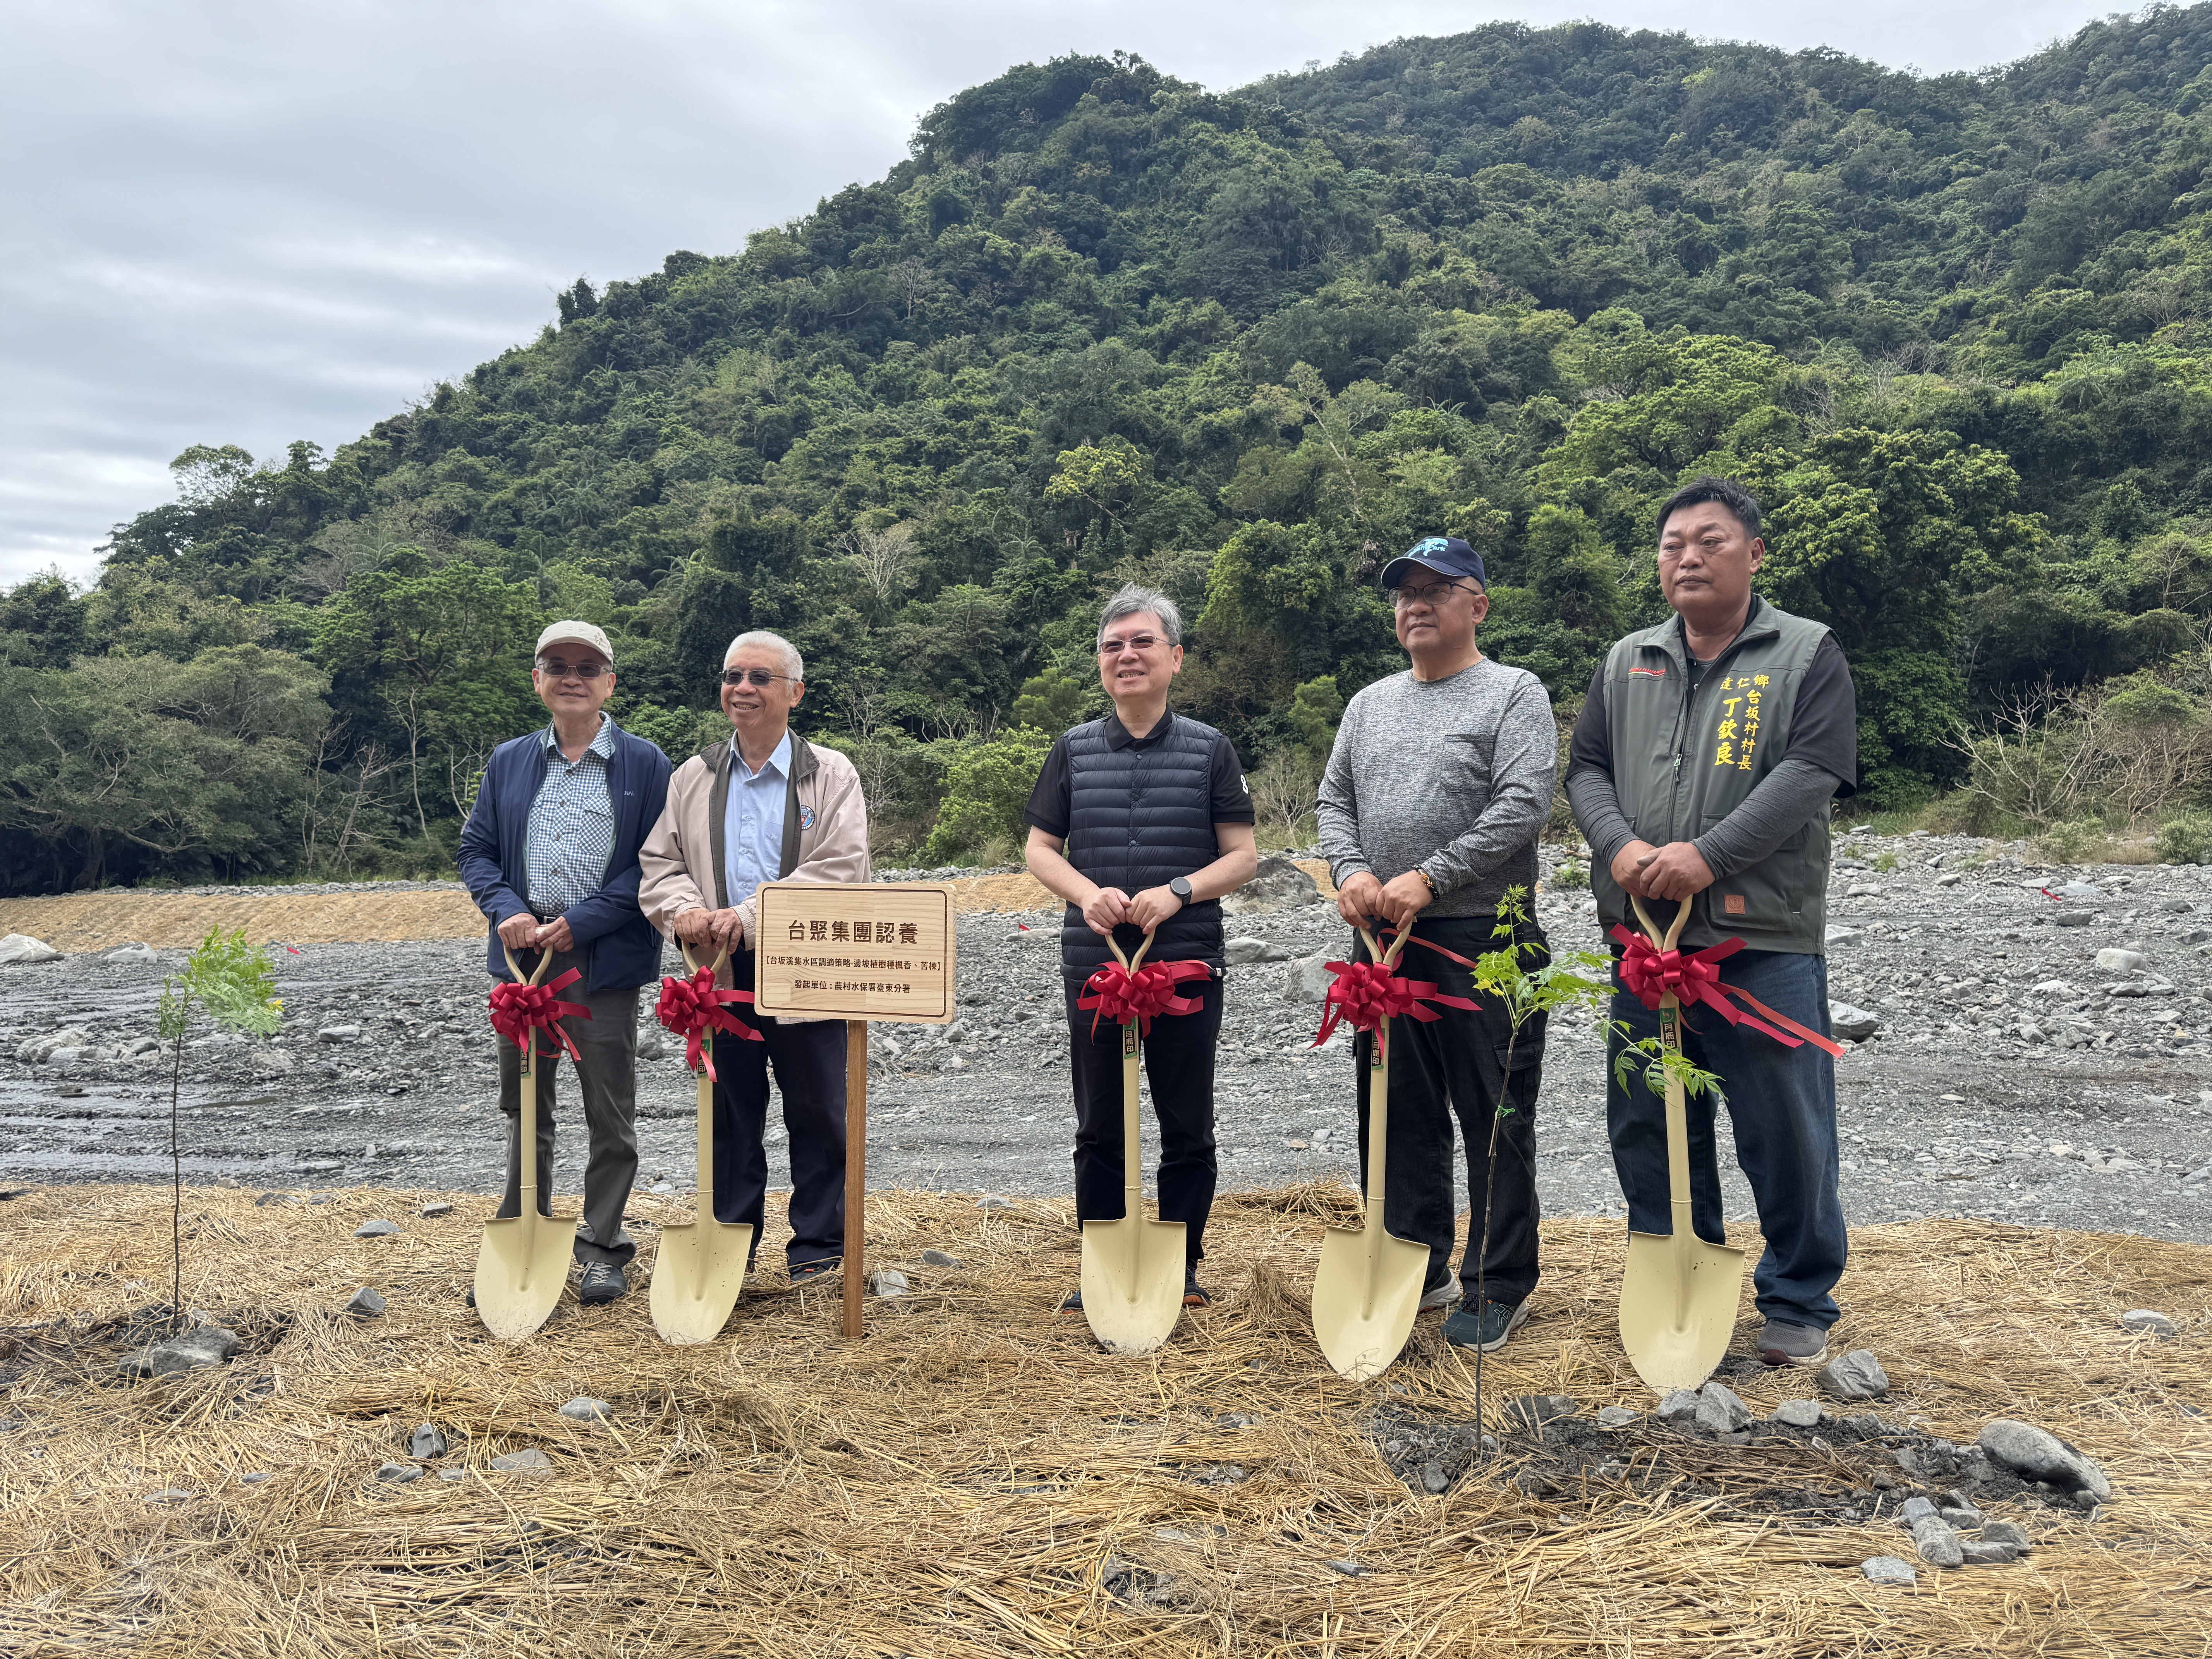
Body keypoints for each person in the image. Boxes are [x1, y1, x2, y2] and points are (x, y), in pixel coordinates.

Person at [1566, 476, 1859, 1369]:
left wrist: (1709, 855)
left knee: (1784, 1122)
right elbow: (1585, 769)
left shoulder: (1805, 653)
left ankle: (1799, 1295)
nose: (1688, 557)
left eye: (1711, 540)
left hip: (1758, 937)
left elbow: (1813, 771)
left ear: (1755, 552)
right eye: (1672, 544)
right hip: (1644, 939)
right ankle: (1676, 1274)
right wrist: (1619, 847)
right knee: (1647, 1118)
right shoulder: (1628, 661)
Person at [1316, 536, 1560, 1352]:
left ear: (1477, 605)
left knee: (1494, 1109)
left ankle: (1499, 1282)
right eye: (1402, 594)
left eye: (1435, 590)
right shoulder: (1369, 704)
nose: (1414, 605)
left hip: (1481, 939)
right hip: (1381, 945)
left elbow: (1523, 805)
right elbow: (1333, 800)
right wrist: (1350, 871)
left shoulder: (1512, 694)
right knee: (1395, 1109)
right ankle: (1418, 1264)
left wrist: (1433, 875)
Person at [1024, 583, 1258, 1311]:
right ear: (1100, 663)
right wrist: (1084, 892)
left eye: (1142, 642)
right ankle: (1104, 1260)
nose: (1126, 655)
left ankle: (1178, 1266)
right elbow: (1039, 848)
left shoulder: (1210, 750)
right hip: (1094, 967)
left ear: (1176, 657)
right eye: (1112, 645)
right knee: (1099, 1122)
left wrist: (1181, 890)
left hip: (1184, 962)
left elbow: (1244, 856)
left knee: (1186, 1120)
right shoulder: (1072, 750)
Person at [637, 629, 869, 1285]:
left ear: (795, 692)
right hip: (719, 974)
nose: (743, 689)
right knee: (729, 1114)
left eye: (760, 678)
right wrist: (683, 908)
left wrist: (748, 915)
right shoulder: (694, 776)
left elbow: (843, 868)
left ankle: (820, 1250)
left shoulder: (831, 772)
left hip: (811, 970)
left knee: (821, 1109)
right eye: (733, 675)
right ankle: (729, 1247)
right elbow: (660, 863)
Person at [457, 620, 673, 1304]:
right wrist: (506, 910)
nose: (572, 677)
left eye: (588, 666)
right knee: (526, 1106)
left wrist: (577, 925)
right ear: (538, 680)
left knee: (609, 1109)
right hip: (522, 966)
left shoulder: (644, 764)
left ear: (610, 682)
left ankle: (603, 1245)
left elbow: (653, 865)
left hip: (601, 965)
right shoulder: (510, 760)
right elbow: (477, 852)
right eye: (558, 665)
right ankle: (525, 1234)